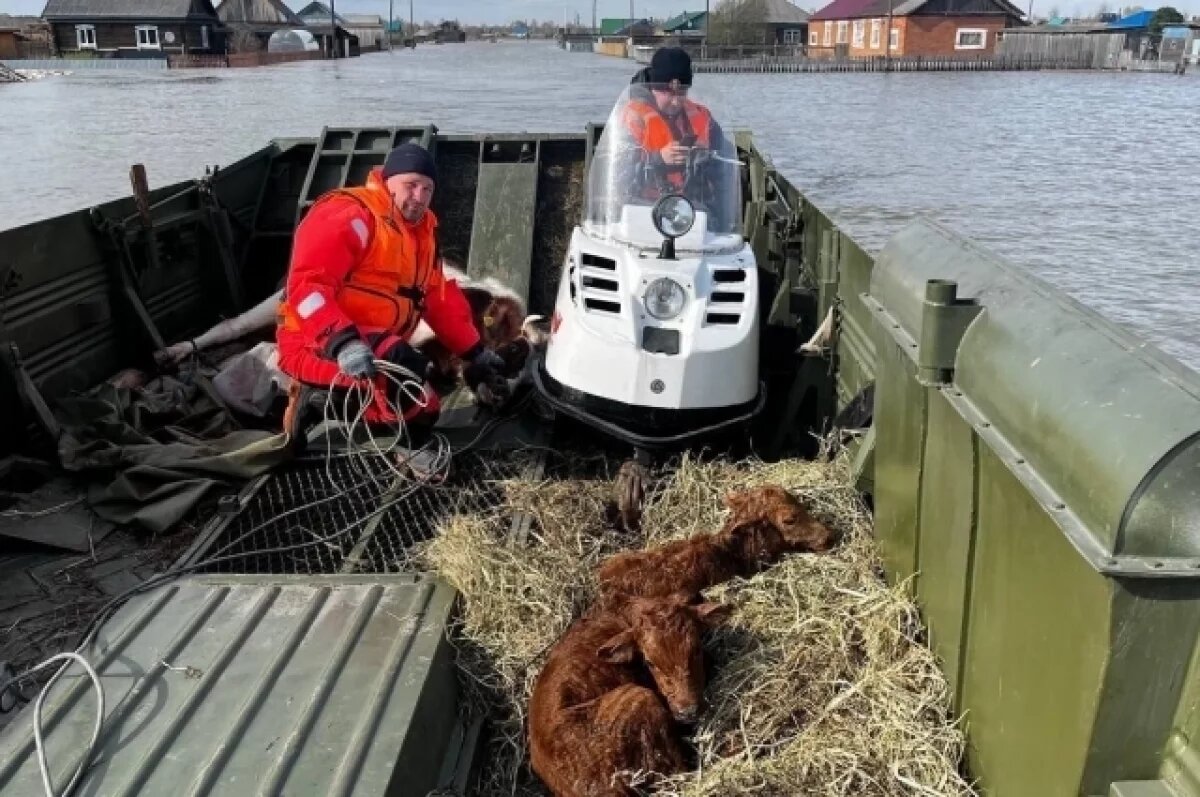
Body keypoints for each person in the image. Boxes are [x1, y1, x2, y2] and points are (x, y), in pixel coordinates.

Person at [276, 142, 506, 448]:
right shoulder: (350, 214)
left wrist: (474, 353)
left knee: (421, 397)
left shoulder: (421, 235)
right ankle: (406, 446)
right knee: (415, 394)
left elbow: (437, 301)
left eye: (427, 189)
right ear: (388, 181)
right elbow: (307, 289)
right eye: (411, 185)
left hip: (374, 342)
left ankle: (329, 401)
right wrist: (343, 343)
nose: (419, 197)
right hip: (314, 342)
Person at [617, 47, 735, 225]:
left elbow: (724, 171)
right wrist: (658, 159)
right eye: (668, 92)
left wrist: (702, 159)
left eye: (681, 93)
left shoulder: (702, 117)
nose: (675, 101)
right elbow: (617, 176)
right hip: (639, 209)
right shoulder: (632, 118)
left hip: (691, 211)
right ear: (654, 87)